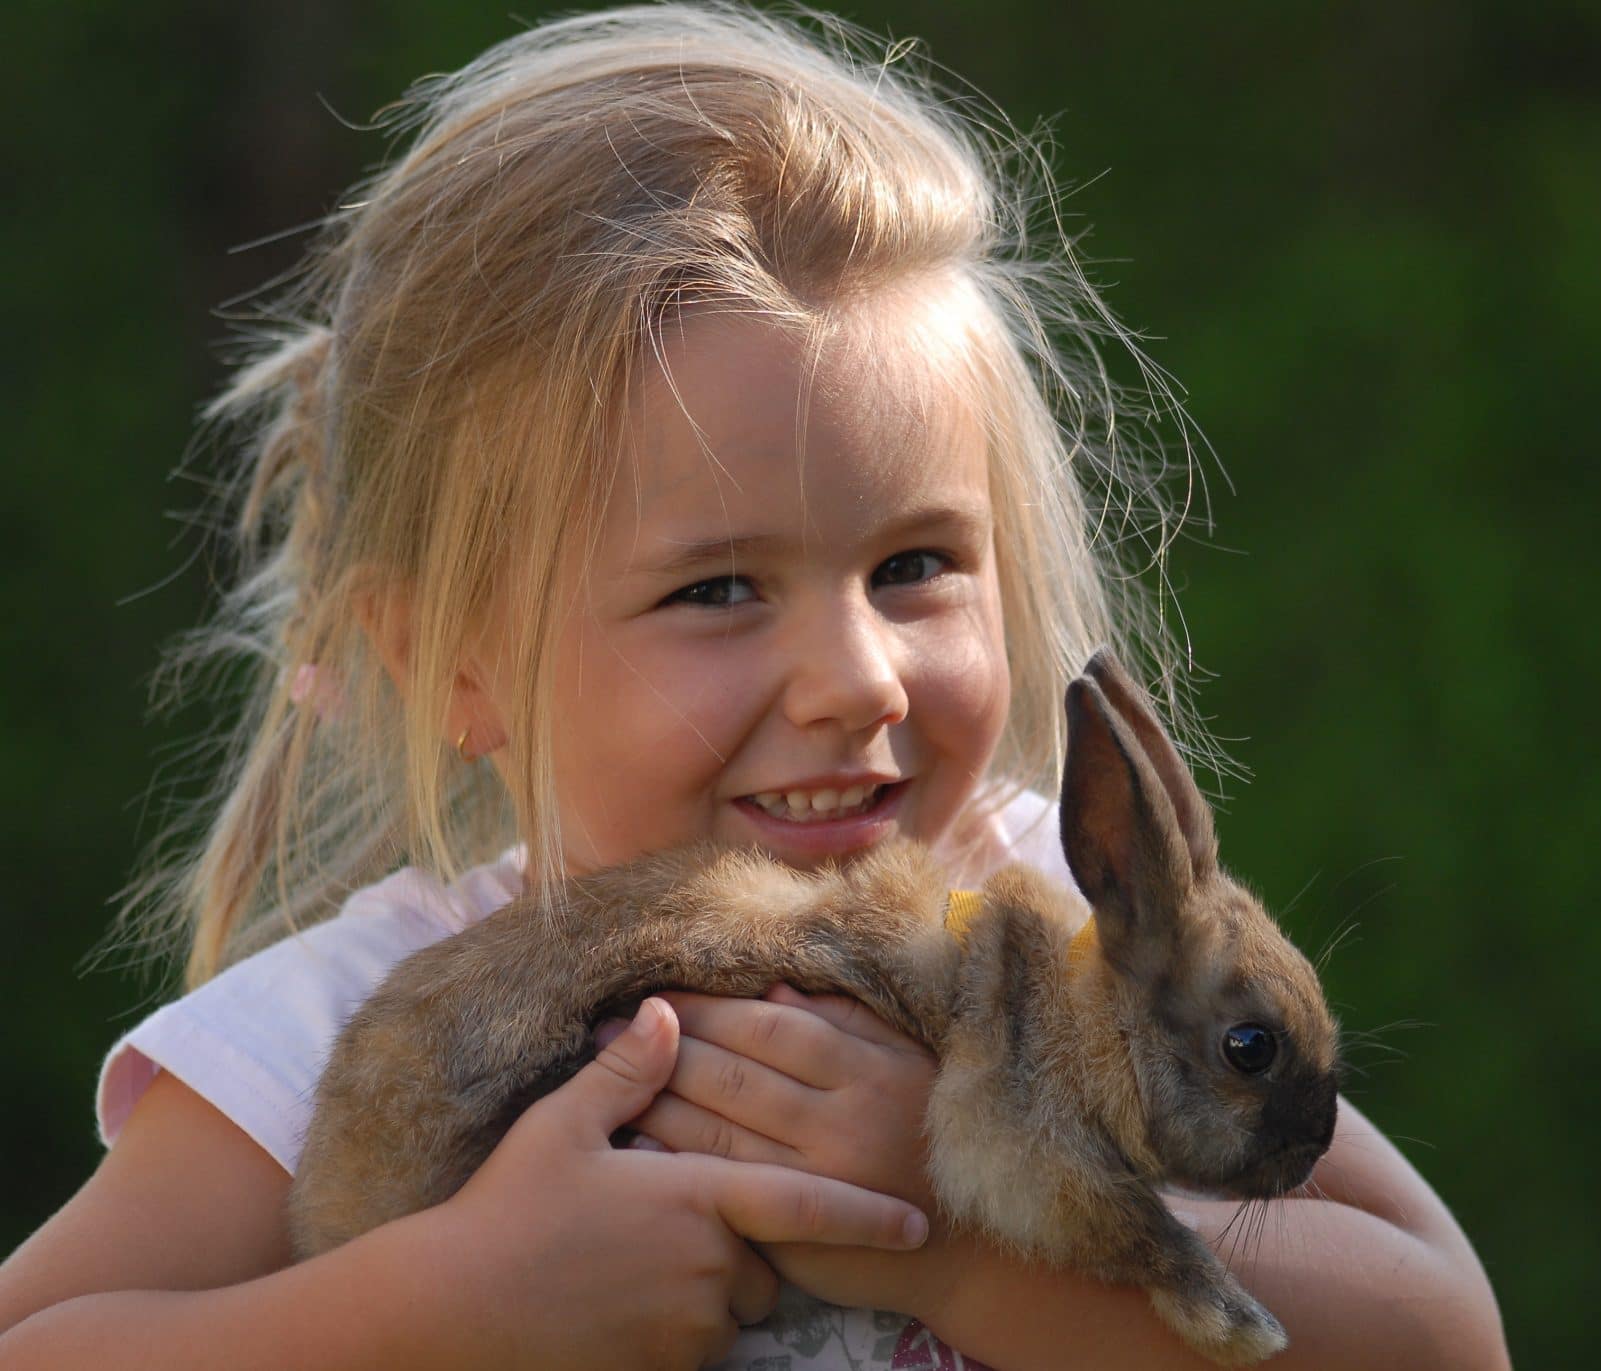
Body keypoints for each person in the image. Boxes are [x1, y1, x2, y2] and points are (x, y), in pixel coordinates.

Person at [0, 4, 1507, 1367]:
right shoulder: (347, 1024)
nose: (857, 678)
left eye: (916, 565)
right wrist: (442, 1303)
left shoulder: (1051, 924)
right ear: (454, 668)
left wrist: (949, 1232)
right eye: (717, 590)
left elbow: (1441, 1340)